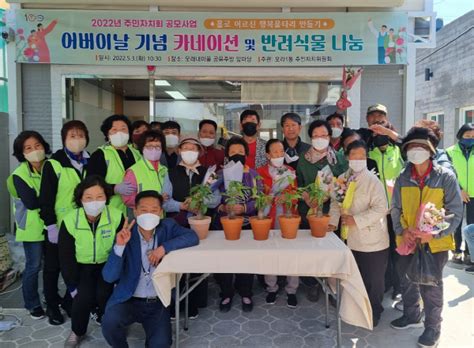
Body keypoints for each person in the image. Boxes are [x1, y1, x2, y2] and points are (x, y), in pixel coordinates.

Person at [390, 127, 463, 348]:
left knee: (431, 286)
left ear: (430, 150)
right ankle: (412, 316)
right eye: (411, 147)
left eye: (421, 147)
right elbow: (396, 208)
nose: (416, 151)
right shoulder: (403, 177)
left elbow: (455, 212)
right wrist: (402, 231)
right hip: (408, 239)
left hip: (435, 243)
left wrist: (435, 233)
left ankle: (432, 327)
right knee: (407, 280)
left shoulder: (445, 177)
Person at [101, 190, 199, 348]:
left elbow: (192, 237)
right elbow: (109, 276)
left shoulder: (167, 226)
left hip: (156, 302)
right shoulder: (126, 234)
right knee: (109, 322)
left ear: (161, 212)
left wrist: (164, 248)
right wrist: (119, 246)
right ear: (135, 211)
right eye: (144, 210)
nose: (149, 214)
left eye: (154, 210)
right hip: (129, 299)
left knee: (161, 344)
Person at [328, 140, 389, 327]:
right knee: (356, 276)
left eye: (362, 156)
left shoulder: (373, 181)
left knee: (374, 280)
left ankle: (375, 310)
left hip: (372, 240)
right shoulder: (342, 178)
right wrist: (332, 222)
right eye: (354, 155)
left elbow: (381, 208)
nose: (358, 159)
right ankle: (354, 308)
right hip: (349, 238)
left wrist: (357, 220)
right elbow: (335, 202)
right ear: (347, 157)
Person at [58, 175, 124, 347]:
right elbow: (66, 256)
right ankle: (78, 331)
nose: (94, 201)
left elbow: (123, 249)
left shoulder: (117, 216)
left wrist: (119, 276)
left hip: (108, 264)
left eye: (100, 197)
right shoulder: (70, 220)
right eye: (88, 197)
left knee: (105, 294)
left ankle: (110, 323)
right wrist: (71, 284)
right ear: (80, 199)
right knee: (82, 297)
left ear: (107, 198)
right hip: (81, 267)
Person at [39, 120, 90, 325]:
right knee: (53, 268)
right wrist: (50, 224)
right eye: (72, 136)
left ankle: (70, 301)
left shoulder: (89, 160)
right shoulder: (54, 164)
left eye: (80, 135)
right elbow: (46, 198)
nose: (77, 139)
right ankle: (52, 305)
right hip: (58, 226)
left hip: (81, 226)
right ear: (64, 140)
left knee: (75, 266)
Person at [167, 137, 220, 319]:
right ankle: (177, 303)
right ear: (180, 150)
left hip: (201, 224)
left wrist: (199, 202)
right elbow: (164, 202)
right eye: (185, 148)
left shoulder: (208, 173)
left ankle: (195, 302)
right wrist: (181, 206)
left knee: (197, 263)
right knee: (178, 263)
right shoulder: (170, 173)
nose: (189, 151)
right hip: (177, 225)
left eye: (193, 148)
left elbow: (215, 199)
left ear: (199, 152)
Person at [214, 136, 263, 312]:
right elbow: (211, 197)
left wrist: (244, 207)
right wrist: (222, 206)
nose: (237, 155)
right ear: (227, 154)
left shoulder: (254, 175)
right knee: (225, 259)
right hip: (225, 224)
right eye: (233, 152)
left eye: (241, 152)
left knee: (246, 259)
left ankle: (246, 292)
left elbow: (260, 200)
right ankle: (226, 292)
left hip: (247, 223)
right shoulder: (219, 175)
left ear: (247, 154)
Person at [7, 131, 51, 319]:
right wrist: (51, 195)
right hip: (32, 228)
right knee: (33, 267)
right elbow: (31, 203)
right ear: (21, 153)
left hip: (51, 225)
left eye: (37, 145)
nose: (34, 150)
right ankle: (32, 303)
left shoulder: (51, 167)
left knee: (52, 266)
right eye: (28, 148)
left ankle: (51, 298)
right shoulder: (19, 174)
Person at [257, 139, 299, 308]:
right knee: (269, 253)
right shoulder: (259, 172)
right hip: (268, 219)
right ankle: (271, 288)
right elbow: (256, 196)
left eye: (281, 152)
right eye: (275, 152)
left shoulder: (290, 171)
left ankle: (292, 290)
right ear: (268, 155)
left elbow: (296, 194)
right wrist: (266, 197)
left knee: (291, 254)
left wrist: (287, 198)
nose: (279, 155)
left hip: (287, 218)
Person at [296, 120, 348, 226]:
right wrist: (306, 197)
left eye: (323, 135)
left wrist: (331, 193)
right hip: (308, 211)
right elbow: (298, 183)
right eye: (316, 135)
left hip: (332, 213)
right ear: (311, 138)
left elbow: (346, 184)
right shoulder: (303, 158)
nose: (320, 138)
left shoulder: (339, 158)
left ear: (329, 137)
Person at [88, 114, 141, 215]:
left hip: (135, 210)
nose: (119, 133)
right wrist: (114, 188)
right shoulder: (100, 155)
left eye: (123, 129)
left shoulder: (137, 153)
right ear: (108, 134)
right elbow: (91, 184)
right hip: (110, 211)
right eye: (114, 130)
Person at [119, 130, 171, 211]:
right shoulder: (133, 171)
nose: (154, 149)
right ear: (142, 148)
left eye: (157, 146)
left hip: (160, 215)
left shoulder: (164, 170)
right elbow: (127, 199)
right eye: (149, 146)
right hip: (139, 216)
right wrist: (156, 200)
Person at [446, 123, 474, 264]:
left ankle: (470, 254)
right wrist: (459, 189)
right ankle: (456, 251)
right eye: (467, 136)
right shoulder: (450, 152)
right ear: (460, 136)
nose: (471, 139)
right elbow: (449, 173)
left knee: (471, 226)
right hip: (457, 193)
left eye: (473, 137)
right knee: (456, 223)